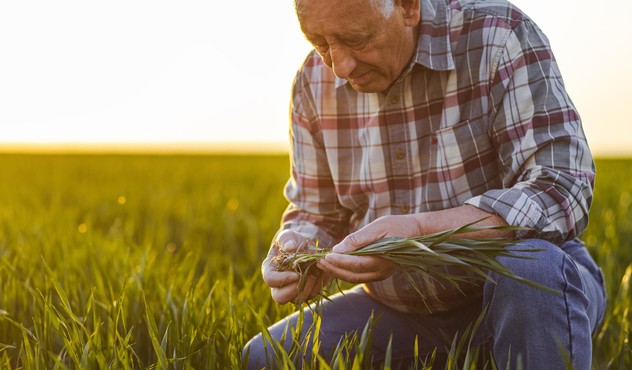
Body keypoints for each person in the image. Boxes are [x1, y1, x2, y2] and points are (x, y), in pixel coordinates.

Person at [243, 0, 606, 368]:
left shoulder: (498, 36)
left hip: (521, 294)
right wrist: (296, 247)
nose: (340, 67)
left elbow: (560, 186)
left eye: (357, 39)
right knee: (264, 358)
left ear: (407, 7)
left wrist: (418, 231)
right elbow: (316, 214)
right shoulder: (311, 84)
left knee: (532, 269)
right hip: (400, 309)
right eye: (320, 43)